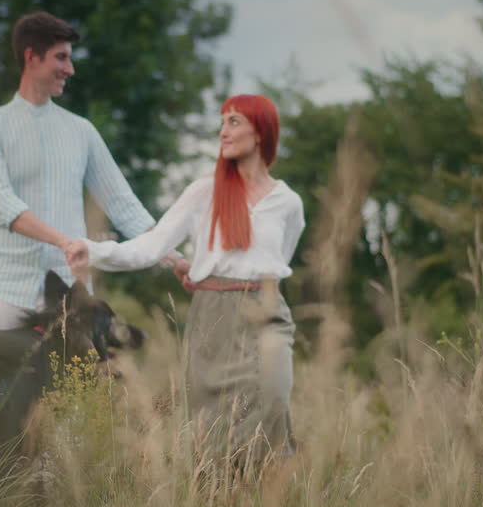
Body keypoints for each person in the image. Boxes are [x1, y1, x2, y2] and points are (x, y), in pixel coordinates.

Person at [65, 94, 305, 468]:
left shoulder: (289, 203)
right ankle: (222, 504)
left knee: (274, 399)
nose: (223, 131)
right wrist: (94, 252)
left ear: (261, 132)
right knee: (214, 429)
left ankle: (266, 488)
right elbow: (152, 246)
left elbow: (280, 260)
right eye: (222, 122)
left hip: (268, 310)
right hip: (214, 315)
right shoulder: (203, 192)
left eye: (234, 121)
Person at [0, 11, 180, 329]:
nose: (70, 69)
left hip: (73, 298)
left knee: (72, 381)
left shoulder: (81, 131)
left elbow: (123, 205)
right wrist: (65, 242)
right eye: (61, 58)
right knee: (5, 382)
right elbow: (4, 208)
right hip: (7, 296)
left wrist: (175, 258)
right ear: (31, 57)